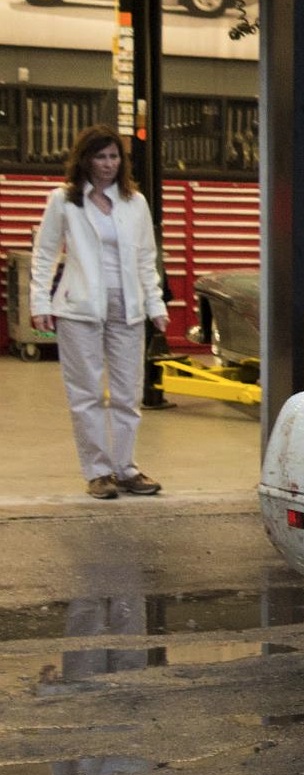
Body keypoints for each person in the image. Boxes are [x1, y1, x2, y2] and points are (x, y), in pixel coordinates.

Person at [29, 124, 167, 500]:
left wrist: (155, 304)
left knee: (127, 394)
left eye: (114, 157)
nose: (108, 164)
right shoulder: (64, 201)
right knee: (86, 394)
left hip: (128, 308)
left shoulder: (134, 202)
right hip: (80, 309)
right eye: (100, 156)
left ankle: (126, 468)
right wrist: (40, 302)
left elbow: (145, 258)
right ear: (85, 159)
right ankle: (98, 472)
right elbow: (44, 255)